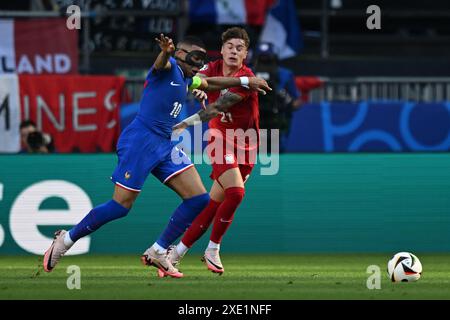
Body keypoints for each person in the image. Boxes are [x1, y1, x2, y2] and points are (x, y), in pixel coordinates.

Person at [42, 34, 270, 278]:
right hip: (140, 141)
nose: (199, 64)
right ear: (180, 54)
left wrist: (246, 80)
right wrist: (165, 51)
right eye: (195, 58)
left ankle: (158, 250)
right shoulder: (167, 68)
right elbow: (162, 62)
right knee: (121, 206)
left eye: (202, 59)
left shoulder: (186, 79)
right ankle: (66, 240)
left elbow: (211, 83)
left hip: (164, 143)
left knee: (199, 199)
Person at [169, 27, 267, 275]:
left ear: (245, 54)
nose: (234, 51)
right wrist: (198, 88)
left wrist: (184, 123)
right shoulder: (210, 68)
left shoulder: (248, 78)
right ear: (221, 50)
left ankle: (175, 253)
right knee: (235, 193)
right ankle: (213, 249)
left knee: (214, 204)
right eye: (230, 46)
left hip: (247, 143)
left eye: (240, 48)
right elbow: (194, 80)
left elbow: (218, 106)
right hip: (219, 138)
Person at [251, 42, 302, 152]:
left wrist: (286, 101)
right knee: (253, 155)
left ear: (274, 57)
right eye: (261, 58)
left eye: (267, 58)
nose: (264, 61)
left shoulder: (285, 74)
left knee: (275, 156)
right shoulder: (248, 74)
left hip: (276, 119)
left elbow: (297, 102)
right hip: (253, 121)